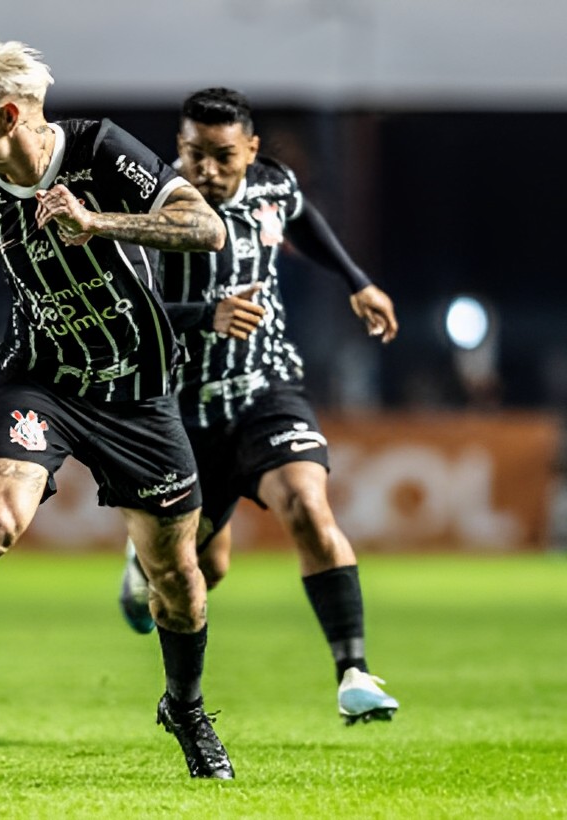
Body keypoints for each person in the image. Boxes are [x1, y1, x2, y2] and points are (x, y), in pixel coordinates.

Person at [0, 41, 234, 779]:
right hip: (40, 381)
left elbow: (206, 229)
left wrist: (99, 223)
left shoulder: (98, 150)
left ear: (9, 115)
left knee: (177, 579)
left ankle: (184, 708)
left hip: (137, 393)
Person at [116, 88, 402, 726]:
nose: (206, 170)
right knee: (202, 570)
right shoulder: (150, 203)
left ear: (251, 151)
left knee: (304, 502)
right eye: (193, 154)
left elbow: (300, 217)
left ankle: (353, 672)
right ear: (178, 148)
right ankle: (144, 566)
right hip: (180, 413)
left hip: (264, 388)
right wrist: (204, 315)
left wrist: (358, 280)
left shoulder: (273, 187)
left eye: (222, 156)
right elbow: (122, 310)